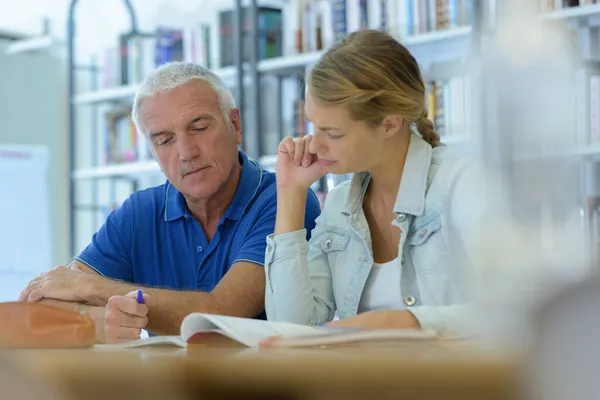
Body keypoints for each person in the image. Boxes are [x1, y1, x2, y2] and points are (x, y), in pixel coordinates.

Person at [18, 62, 322, 344]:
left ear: (235, 125)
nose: (186, 152)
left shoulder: (285, 199)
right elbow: (46, 302)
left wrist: (91, 288)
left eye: (199, 127)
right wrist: (94, 318)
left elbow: (224, 314)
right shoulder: (139, 212)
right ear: (152, 151)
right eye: (165, 140)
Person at [262, 29, 504, 339]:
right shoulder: (339, 207)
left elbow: (515, 308)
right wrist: (291, 193)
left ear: (389, 124)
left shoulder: (464, 185)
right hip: (365, 386)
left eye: (333, 133)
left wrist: (398, 323)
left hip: (450, 386)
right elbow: (290, 331)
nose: (314, 145)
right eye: (313, 126)